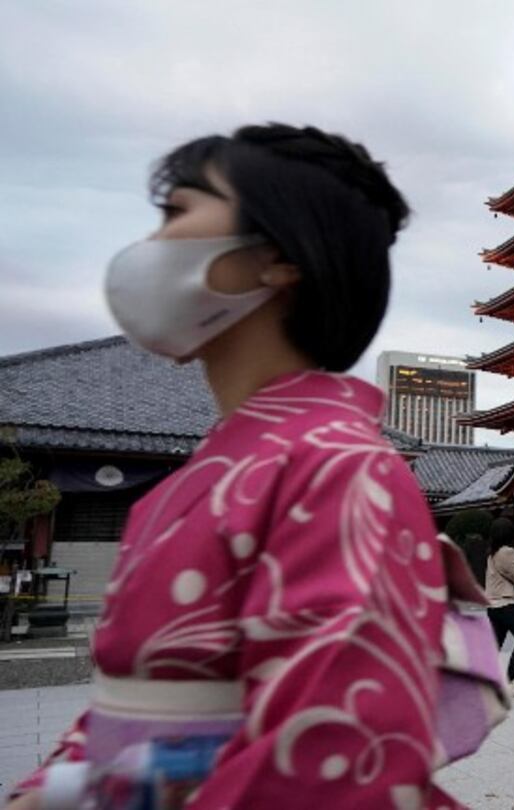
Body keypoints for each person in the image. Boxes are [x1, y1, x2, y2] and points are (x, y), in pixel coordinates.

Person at [7, 124, 464, 808]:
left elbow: (330, 751)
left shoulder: (337, 463)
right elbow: (124, 703)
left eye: (176, 212)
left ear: (277, 256)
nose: (151, 244)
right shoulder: (207, 472)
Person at [485, 517, 514, 698]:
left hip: (493, 605)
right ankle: (509, 680)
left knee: (495, 644)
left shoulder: (492, 552)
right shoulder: (507, 552)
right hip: (506, 605)